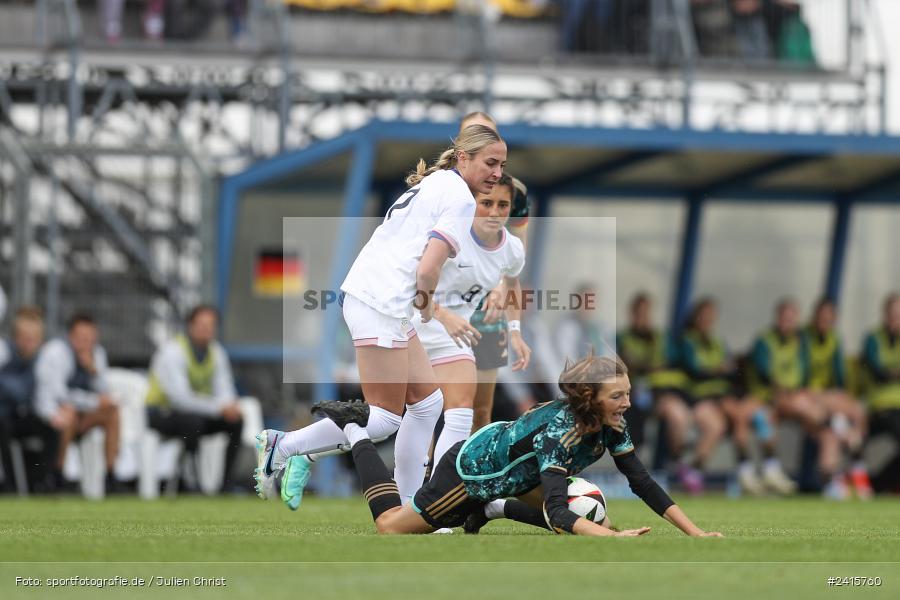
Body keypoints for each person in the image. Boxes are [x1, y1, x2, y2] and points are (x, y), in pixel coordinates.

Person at [255, 124, 507, 509]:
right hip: (382, 303)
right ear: (463, 158)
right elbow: (427, 269)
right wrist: (427, 305)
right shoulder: (461, 199)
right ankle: (285, 445)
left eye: (502, 165)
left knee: (427, 404)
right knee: (385, 419)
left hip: (379, 299)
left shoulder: (439, 181)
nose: (497, 173)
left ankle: (412, 507)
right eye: (490, 163)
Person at [289, 353, 722, 537]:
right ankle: (354, 430)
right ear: (591, 398)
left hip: (515, 471)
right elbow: (557, 511)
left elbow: (642, 481)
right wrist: (615, 539)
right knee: (389, 526)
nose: (627, 402)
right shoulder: (560, 434)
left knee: (591, 523)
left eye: (627, 393)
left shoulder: (610, 424)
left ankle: (494, 508)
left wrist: (697, 534)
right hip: (473, 471)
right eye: (618, 395)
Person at [416, 173, 530, 476]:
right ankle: (424, 479)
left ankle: (468, 480)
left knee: (475, 410)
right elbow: (418, 283)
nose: (495, 211)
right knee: (412, 412)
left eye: (502, 205)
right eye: (486, 203)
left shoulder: (516, 200)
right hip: (423, 323)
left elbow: (513, 270)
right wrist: (442, 314)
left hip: (480, 326)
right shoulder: (453, 223)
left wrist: (514, 329)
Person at [456, 112, 531, 433]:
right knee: (433, 405)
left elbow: (517, 252)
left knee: (480, 408)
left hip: (488, 312)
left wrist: (502, 286)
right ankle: (429, 463)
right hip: (445, 307)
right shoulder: (445, 185)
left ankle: (474, 464)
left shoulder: (514, 191)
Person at [145, 304, 245, 493]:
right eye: (201, 325)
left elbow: (225, 387)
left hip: (197, 413)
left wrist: (229, 406)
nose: (206, 330)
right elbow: (180, 399)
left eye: (211, 325)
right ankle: (190, 482)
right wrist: (219, 408)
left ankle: (226, 485)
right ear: (190, 326)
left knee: (236, 422)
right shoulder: (173, 351)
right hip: (162, 413)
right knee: (192, 422)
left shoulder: (216, 352)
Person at [680, 297, 761, 494]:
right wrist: (717, 369)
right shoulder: (687, 340)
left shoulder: (718, 341)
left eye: (710, 316)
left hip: (721, 395)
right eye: (703, 315)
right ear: (696, 317)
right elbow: (693, 370)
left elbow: (731, 369)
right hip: (700, 396)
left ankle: (696, 469)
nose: (707, 320)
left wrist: (724, 369)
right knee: (718, 425)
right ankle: (745, 468)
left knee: (734, 419)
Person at [616, 293, 696, 491]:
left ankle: (676, 463)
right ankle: (631, 469)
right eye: (639, 313)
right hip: (635, 392)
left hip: (662, 393)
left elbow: (672, 364)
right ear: (632, 314)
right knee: (633, 411)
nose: (642, 318)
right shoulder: (623, 337)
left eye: (646, 313)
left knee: (677, 415)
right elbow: (626, 364)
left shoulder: (661, 337)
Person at [33, 313, 120, 493]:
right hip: (52, 414)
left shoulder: (97, 353)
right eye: (81, 338)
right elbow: (59, 395)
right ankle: (57, 475)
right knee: (68, 412)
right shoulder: (56, 352)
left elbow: (105, 392)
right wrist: (92, 402)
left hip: (83, 414)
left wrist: (92, 370)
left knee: (112, 412)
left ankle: (110, 476)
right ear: (70, 336)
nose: (86, 343)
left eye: (90, 338)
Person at [802, 298, 871, 499]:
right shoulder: (803, 338)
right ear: (815, 317)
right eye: (821, 317)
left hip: (828, 398)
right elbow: (800, 372)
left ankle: (844, 476)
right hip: (807, 397)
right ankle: (854, 467)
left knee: (849, 417)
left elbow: (840, 374)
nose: (825, 321)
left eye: (829, 318)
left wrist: (841, 395)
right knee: (833, 426)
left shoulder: (834, 339)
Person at [748, 298, 814, 494]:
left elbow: (805, 372)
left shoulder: (801, 341)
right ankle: (760, 469)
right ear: (777, 318)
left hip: (792, 396)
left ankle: (824, 474)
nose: (787, 323)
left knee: (818, 419)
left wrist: (799, 390)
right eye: (784, 318)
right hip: (766, 396)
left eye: (791, 319)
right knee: (763, 417)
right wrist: (782, 391)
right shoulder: (764, 340)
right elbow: (763, 373)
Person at [0, 307, 57, 493]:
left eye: (33, 339)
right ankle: (9, 484)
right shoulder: (5, 353)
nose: (28, 343)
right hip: (5, 416)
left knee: (51, 427)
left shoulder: (43, 360)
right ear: (15, 338)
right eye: (24, 338)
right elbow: (21, 392)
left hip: (26, 416)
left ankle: (45, 481)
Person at [862, 294, 900, 494]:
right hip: (882, 406)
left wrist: (891, 373)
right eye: (892, 314)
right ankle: (876, 484)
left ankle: (878, 483)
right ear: (885, 315)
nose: (896, 319)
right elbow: (877, 372)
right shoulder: (873, 339)